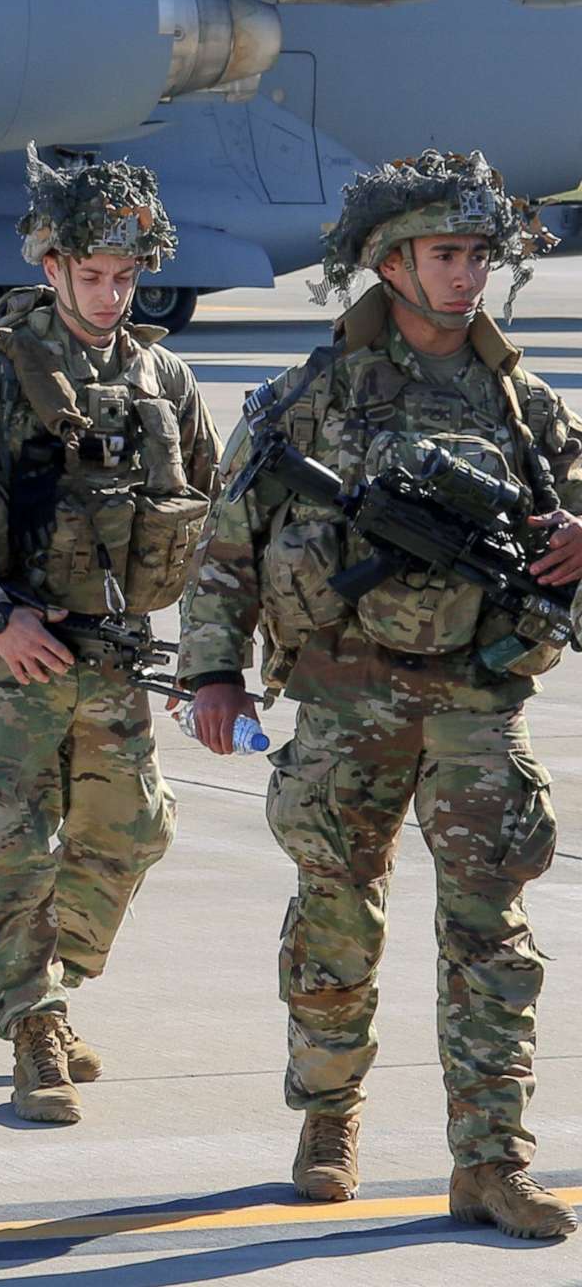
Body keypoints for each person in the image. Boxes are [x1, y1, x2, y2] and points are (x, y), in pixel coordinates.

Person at [177, 151, 581, 1235]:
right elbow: (228, 546)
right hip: (346, 700)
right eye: (446, 255)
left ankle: (492, 1161)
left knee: (493, 936)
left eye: (478, 257)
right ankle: (327, 1117)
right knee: (334, 921)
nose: (467, 277)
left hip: (475, 704)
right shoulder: (311, 395)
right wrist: (211, 671)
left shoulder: (526, 402)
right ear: (387, 263)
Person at [0, 147, 220, 1122]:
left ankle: (46, 977)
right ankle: (33, 1026)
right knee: (9, 847)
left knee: (129, 836)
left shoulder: (166, 376)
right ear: (49, 268)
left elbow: (214, 522)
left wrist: (213, 658)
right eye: (94, 276)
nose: (113, 294)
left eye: (127, 277)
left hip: (114, 660)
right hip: (11, 658)